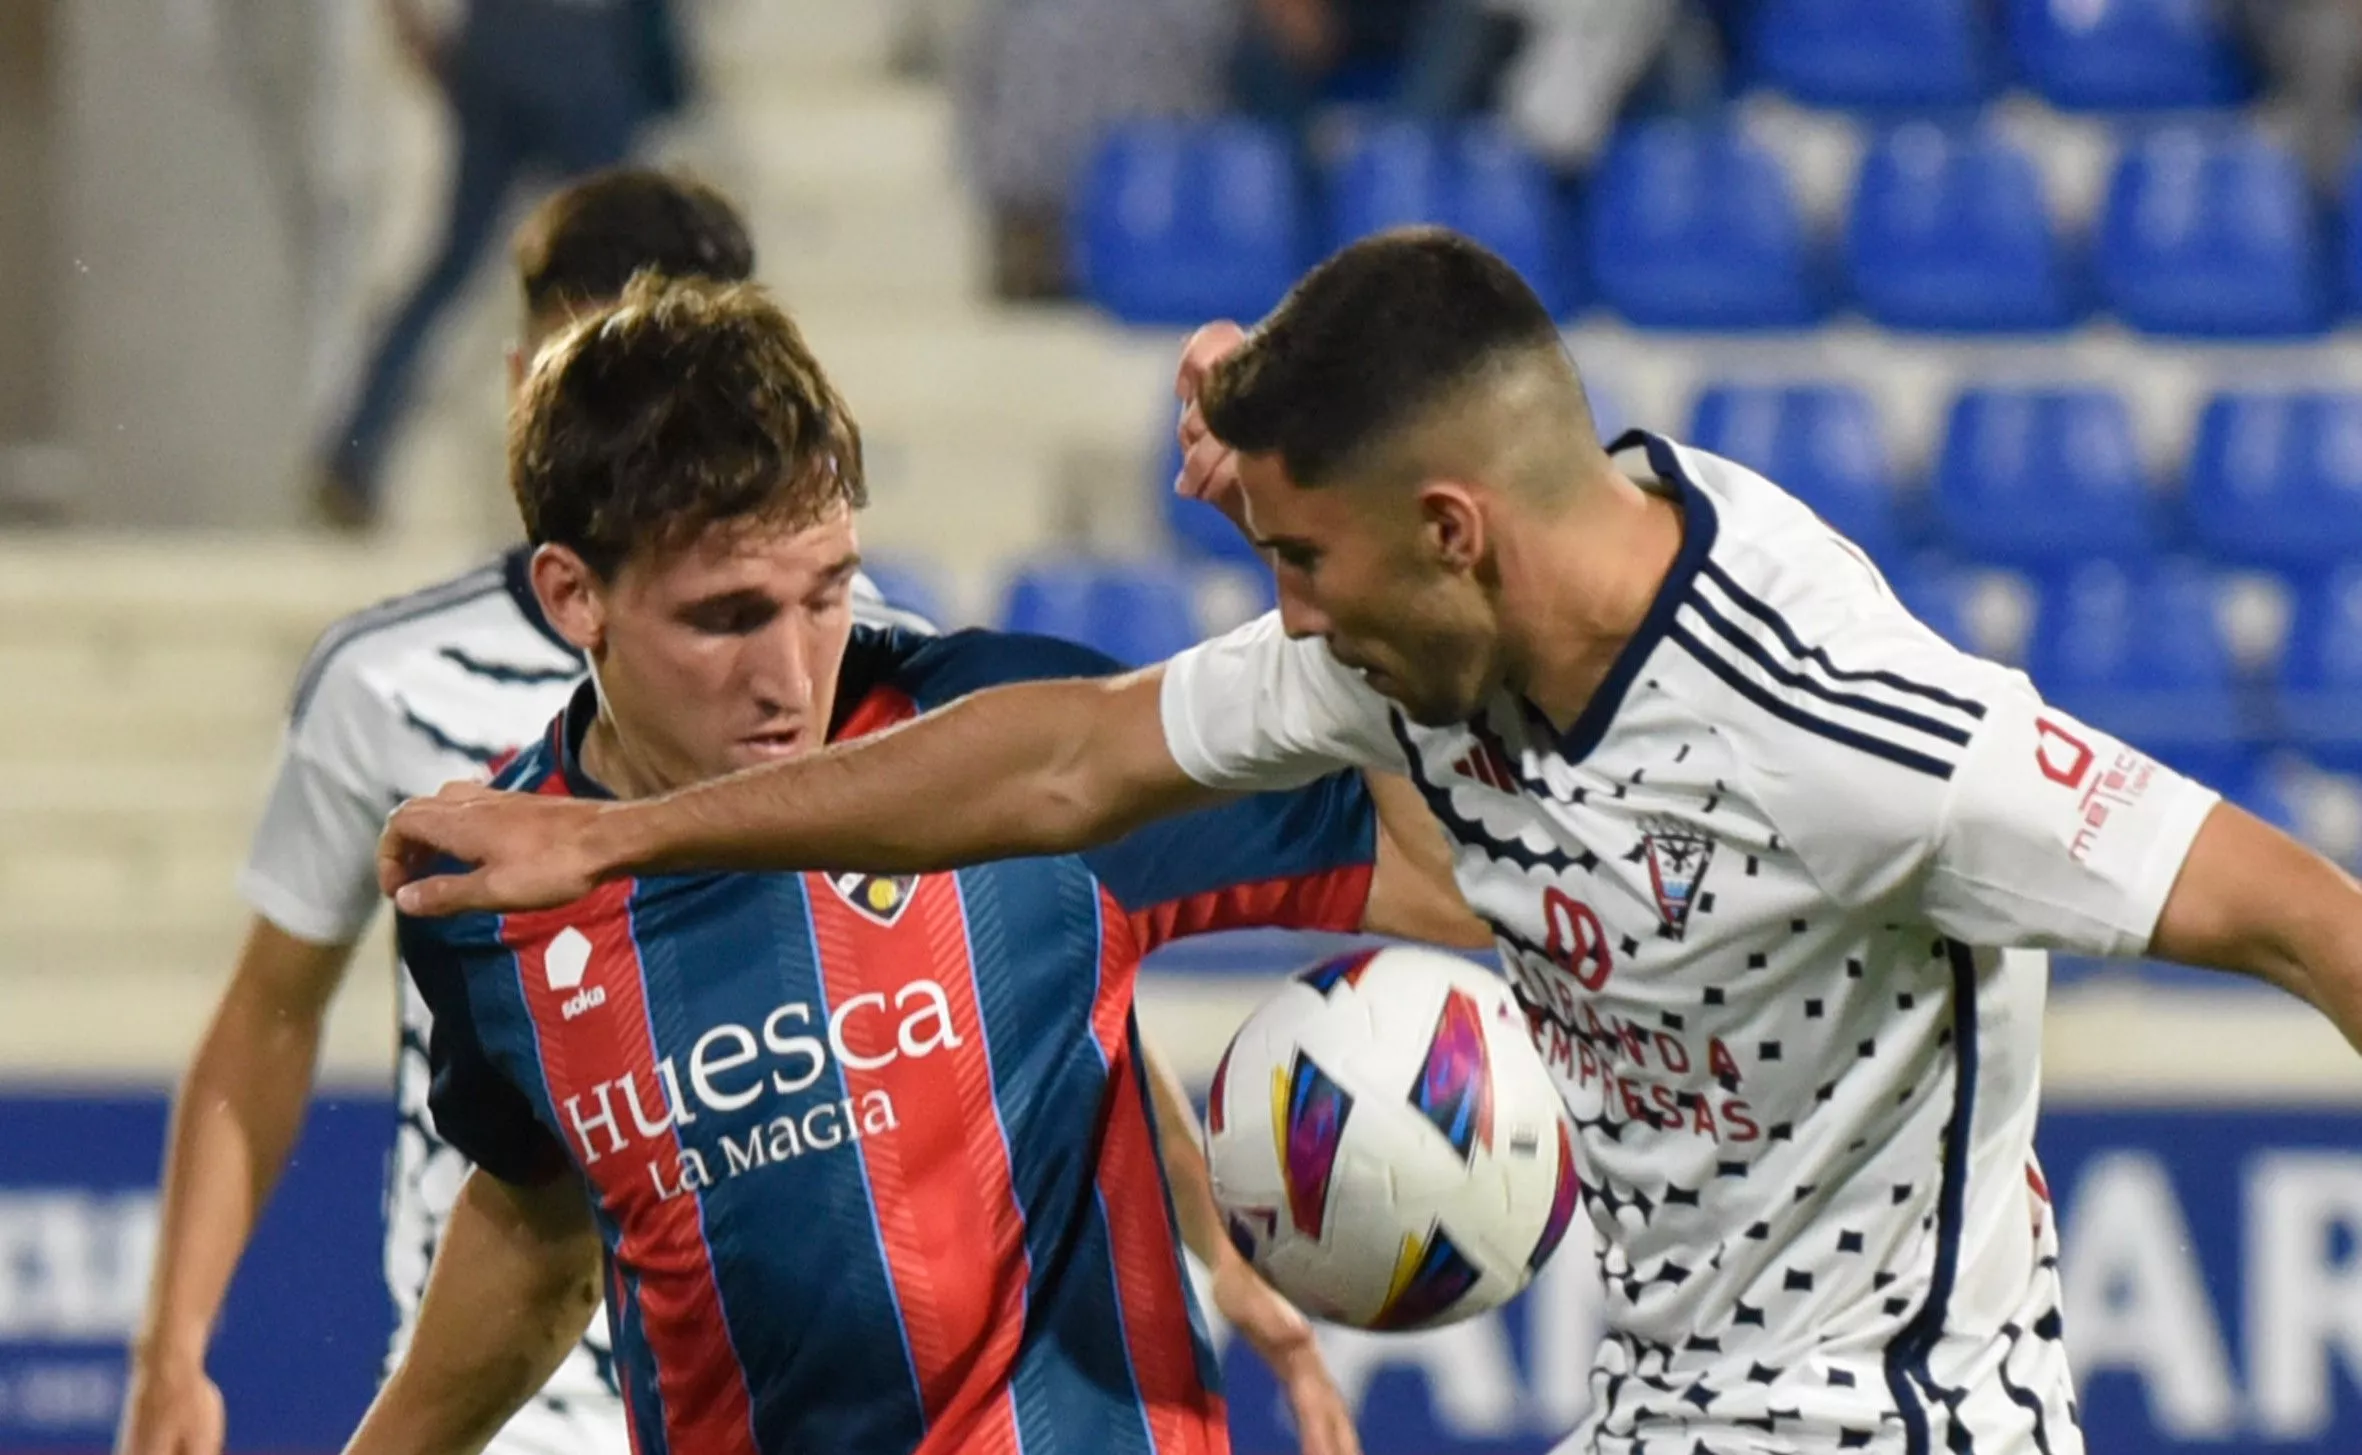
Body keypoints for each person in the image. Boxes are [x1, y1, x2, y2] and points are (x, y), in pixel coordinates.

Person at [382, 227, 2362, 1455]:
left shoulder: (1850, 737)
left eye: (1298, 562)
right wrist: (621, 850)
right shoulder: (1397, 649)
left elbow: (2305, 917)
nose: (1284, 620)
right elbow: (1060, 765)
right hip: (1659, 1411)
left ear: (1449, 528)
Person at [346, 274, 1479, 1453]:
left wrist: (1317, 541)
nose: (790, 675)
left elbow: (1436, 870)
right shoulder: (493, 902)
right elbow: (538, 1231)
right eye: (727, 618)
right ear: (573, 594)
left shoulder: (1021, 748)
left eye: (826, 593)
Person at [117, 169, 928, 1455]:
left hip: (792, 1384)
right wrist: (173, 1350)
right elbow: (270, 1016)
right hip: (513, 1404)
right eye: (592, 380)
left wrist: (1213, 1261)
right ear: (519, 385)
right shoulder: (386, 683)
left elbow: (1035, 958)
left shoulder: (875, 665)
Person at [315, 0, 691, 529]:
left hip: (498, 37)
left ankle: (357, 449)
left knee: (453, 264)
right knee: (615, 276)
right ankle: (628, 473)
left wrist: (411, 29)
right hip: (588, 47)